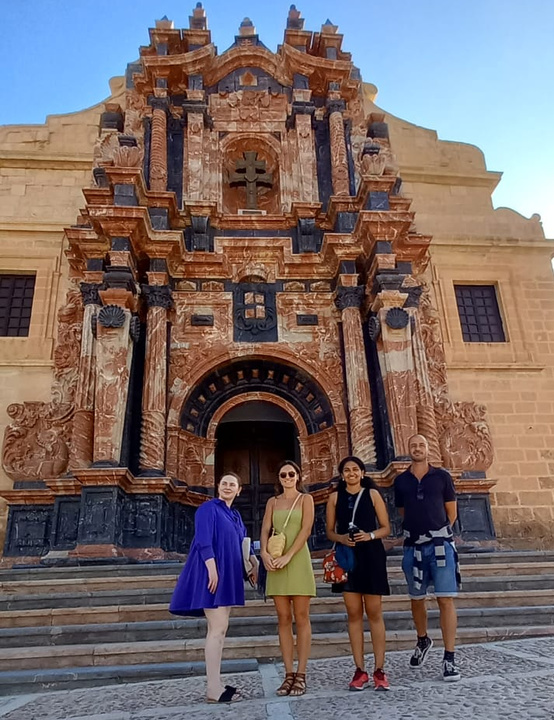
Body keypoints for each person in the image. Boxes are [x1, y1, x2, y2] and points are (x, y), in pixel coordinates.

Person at [169, 472, 257, 703]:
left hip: (229, 574)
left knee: (220, 629)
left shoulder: (235, 516)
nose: (227, 487)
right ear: (218, 487)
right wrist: (212, 568)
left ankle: (216, 683)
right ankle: (212, 688)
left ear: (239, 491)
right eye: (224, 483)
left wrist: (254, 564)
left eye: (232, 484)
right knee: (217, 628)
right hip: (212, 573)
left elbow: (243, 545)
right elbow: (203, 540)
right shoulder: (208, 509)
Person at [394, 434, 461, 682]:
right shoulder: (401, 481)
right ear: (408, 449)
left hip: (440, 546)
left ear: (428, 448)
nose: (417, 449)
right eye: (413, 445)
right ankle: (423, 639)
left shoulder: (442, 477)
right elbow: (402, 511)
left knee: (445, 600)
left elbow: (451, 512)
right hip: (413, 547)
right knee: (416, 598)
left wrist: (437, 534)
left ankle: (449, 657)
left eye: (421, 445)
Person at [326, 455, 391, 691]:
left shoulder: (373, 495)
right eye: (347, 470)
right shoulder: (334, 498)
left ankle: (379, 669)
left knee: (374, 612)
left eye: (355, 469)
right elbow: (330, 531)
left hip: (371, 556)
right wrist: (341, 538)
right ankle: (359, 669)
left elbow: (386, 527)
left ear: (362, 473)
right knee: (353, 613)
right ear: (342, 474)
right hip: (347, 558)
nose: (351, 473)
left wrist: (370, 535)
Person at [260, 460, 316, 697]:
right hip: (275, 562)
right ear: (279, 478)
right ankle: (288, 673)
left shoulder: (306, 500)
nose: (287, 477)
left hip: (297, 560)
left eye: (291, 474)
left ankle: (301, 674)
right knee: (283, 618)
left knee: (301, 617)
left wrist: (289, 556)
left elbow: (306, 529)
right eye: (283, 475)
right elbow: (264, 529)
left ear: (298, 476)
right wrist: (263, 553)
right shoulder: (272, 502)